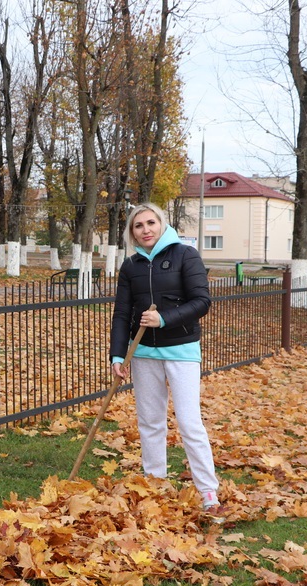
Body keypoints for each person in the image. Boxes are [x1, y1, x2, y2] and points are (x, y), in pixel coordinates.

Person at [109, 202, 222, 515]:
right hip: (143, 353)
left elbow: (202, 301)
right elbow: (121, 313)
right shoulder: (130, 266)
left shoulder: (186, 255)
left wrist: (165, 319)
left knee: (189, 422)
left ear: (162, 224)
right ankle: (154, 485)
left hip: (181, 351)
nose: (146, 230)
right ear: (132, 232)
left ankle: (208, 492)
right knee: (150, 422)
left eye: (150, 223)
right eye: (138, 226)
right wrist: (118, 354)